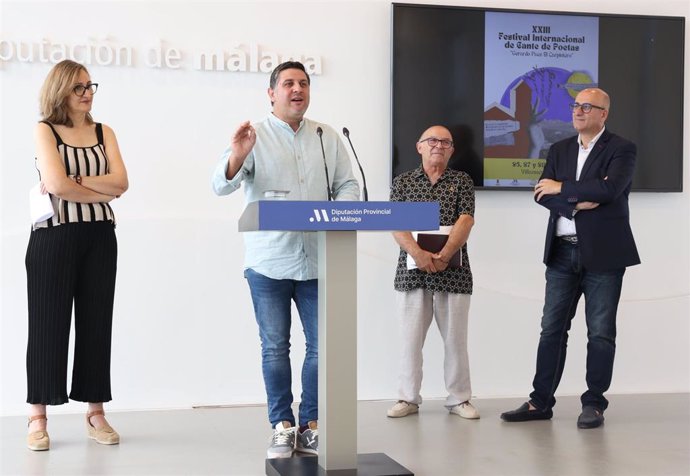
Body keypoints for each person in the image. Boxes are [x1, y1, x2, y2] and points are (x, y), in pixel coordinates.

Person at [211, 61, 359, 458]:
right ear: (271, 93)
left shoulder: (327, 136)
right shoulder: (254, 136)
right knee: (275, 347)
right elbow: (220, 185)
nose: (298, 90)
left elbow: (347, 185)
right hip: (269, 262)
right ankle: (282, 425)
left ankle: (309, 424)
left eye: (304, 83)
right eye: (289, 83)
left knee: (321, 347)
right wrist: (238, 155)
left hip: (318, 261)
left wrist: (341, 215)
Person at [500, 88, 640, 429]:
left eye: (586, 106)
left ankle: (594, 404)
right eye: (576, 105)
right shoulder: (559, 148)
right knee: (551, 330)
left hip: (604, 254)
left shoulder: (621, 148)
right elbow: (540, 192)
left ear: (603, 113)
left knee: (601, 333)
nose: (578, 111)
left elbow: (610, 190)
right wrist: (578, 201)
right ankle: (540, 402)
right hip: (562, 252)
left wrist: (562, 188)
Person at [26, 60, 129, 451]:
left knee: (96, 324)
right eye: (79, 87)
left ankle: (95, 412)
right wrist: (101, 191)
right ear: (60, 91)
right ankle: (37, 418)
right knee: (47, 327)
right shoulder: (45, 130)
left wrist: (78, 183)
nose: (88, 92)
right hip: (53, 238)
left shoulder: (105, 132)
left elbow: (123, 182)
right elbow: (54, 184)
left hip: (101, 236)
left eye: (90, 85)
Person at [387, 125, 479, 420]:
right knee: (409, 341)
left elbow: (466, 220)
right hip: (412, 273)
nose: (438, 145)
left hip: (453, 273)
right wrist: (419, 254)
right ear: (419, 147)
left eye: (445, 142)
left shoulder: (462, 181)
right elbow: (395, 223)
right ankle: (407, 398)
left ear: (452, 149)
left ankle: (459, 399)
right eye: (432, 141)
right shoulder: (402, 182)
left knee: (456, 342)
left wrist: (444, 255)